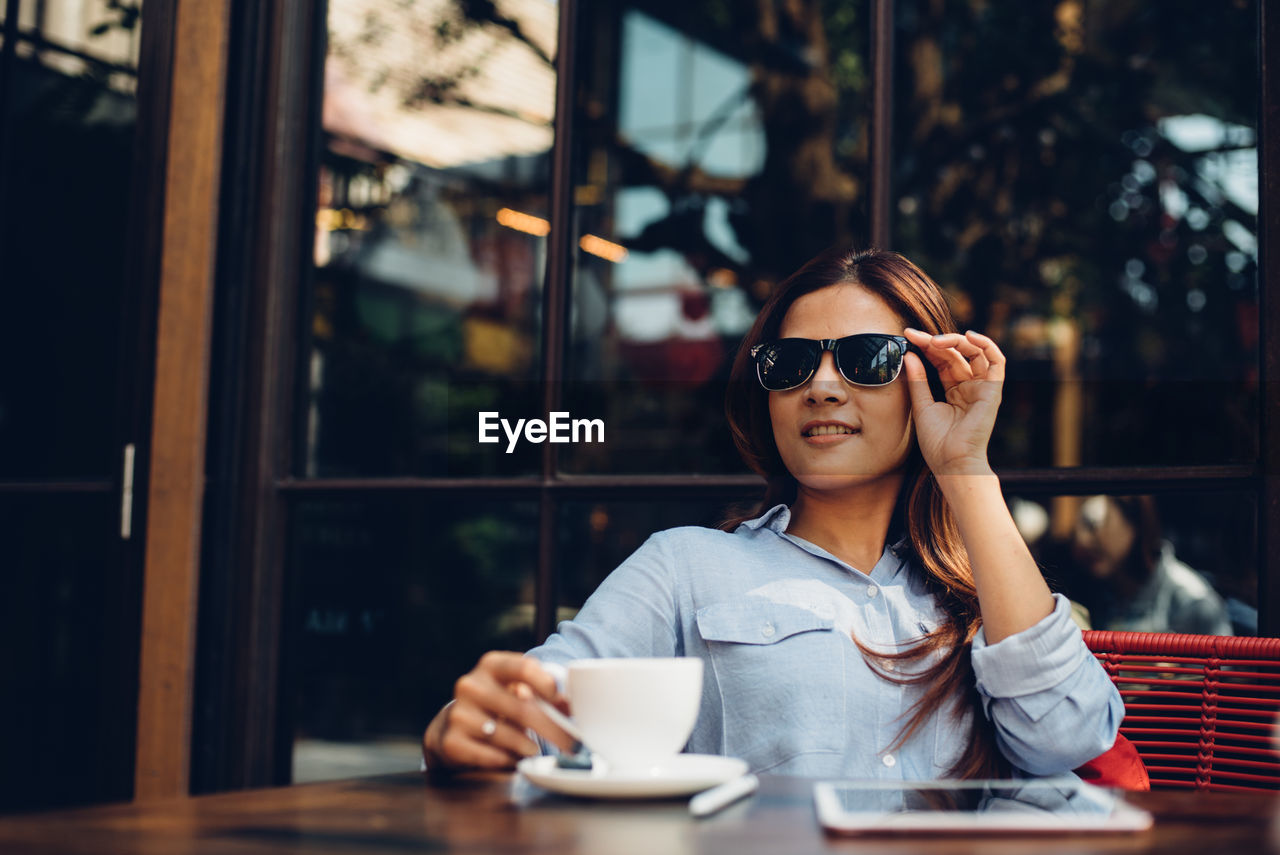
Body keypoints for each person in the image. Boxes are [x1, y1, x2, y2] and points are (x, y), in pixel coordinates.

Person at [422, 246, 1124, 779]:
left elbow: (1066, 733)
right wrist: (467, 729)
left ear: (927, 382)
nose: (820, 385)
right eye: (789, 363)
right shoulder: (686, 566)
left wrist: (967, 471)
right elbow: (535, 714)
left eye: (865, 358)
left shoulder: (989, 596)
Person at [1069, 494, 1233, 636]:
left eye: (1094, 524)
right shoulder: (1097, 593)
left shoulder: (1191, 601)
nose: (1084, 541)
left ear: (1133, 521)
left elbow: (1221, 668)